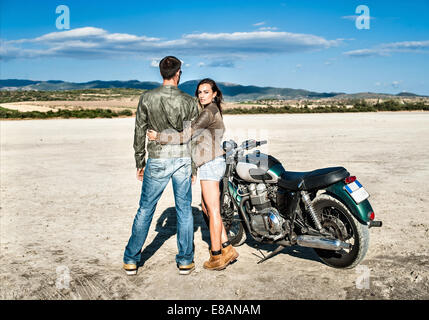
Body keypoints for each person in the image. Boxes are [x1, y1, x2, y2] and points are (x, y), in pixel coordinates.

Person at [147, 78, 238, 271]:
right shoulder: (212, 110)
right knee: (206, 206)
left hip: (211, 163)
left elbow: (185, 136)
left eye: (206, 92)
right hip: (210, 162)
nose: (202, 95)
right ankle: (227, 247)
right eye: (199, 92)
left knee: (213, 209)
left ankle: (216, 256)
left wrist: (159, 137)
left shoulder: (208, 112)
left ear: (214, 94)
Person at [123, 56, 199, 276]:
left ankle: (131, 259)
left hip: (157, 158)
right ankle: (185, 261)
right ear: (178, 73)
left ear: (161, 73)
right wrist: (193, 167)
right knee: (184, 210)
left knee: (146, 209)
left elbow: (139, 131)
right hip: (183, 158)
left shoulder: (147, 98)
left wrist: (140, 161)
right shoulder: (189, 101)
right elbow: (192, 136)